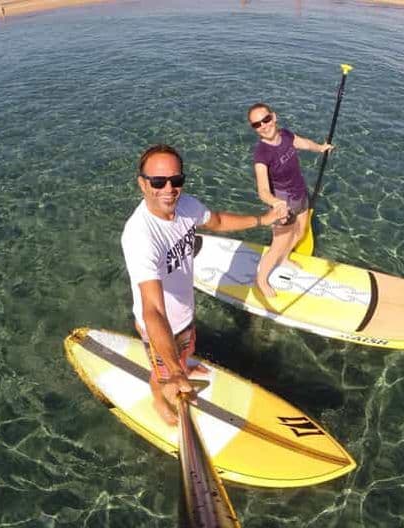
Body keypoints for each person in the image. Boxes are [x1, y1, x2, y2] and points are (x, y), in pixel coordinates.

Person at [121, 144, 282, 425]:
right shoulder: (140, 237)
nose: (168, 189)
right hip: (160, 325)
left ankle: (182, 364)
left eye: (176, 180)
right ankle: (158, 395)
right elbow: (153, 310)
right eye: (158, 182)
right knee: (161, 371)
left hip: (184, 312)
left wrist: (262, 219)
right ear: (142, 184)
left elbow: (217, 221)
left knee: (185, 350)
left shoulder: (186, 206)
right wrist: (173, 371)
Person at [247, 103, 333, 297]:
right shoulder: (262, 154)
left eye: (266, 119)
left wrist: (321, 148)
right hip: (283, 203)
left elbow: (303, 143)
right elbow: (262, 190)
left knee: (301, 231)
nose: (263, 126)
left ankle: (284, 259)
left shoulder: (285, 135)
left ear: (274, 117)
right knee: (277, 245)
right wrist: (276, 203)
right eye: (257, 124)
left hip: (300, 194)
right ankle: (261, 280)